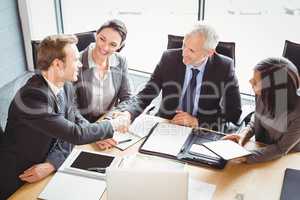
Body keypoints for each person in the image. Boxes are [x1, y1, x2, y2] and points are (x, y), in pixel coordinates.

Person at [0, 34, 128, 199]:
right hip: (20, 176)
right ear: (58, 64)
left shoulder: (65, 86)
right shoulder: (32, 97)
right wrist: (113, 124)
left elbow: (74, 118)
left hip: (46, 165)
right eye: (75, 60)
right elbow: (75, 134)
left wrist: (95, 135)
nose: (80, 64)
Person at [114, 22, 241, 131]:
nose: (184, 53)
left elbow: (234, 113)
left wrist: (196, 121)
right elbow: (146, 93)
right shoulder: (169, 58)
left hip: (203, 129)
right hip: (168, 124)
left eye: (191, 50)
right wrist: (128, 113)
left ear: (209, 52)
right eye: (184, 45)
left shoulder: (224, 67)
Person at [223, 57, 300, 163]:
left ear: (273, 90)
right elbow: (257, 118)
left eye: (255, 82)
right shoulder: (263, 94)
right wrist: (243, 135)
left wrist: (246, 157)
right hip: (262, 148)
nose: (250, 81)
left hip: (288, 158)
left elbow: (280, 149)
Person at [75, 19, 131, 123]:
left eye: (113, 44)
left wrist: (110, 119)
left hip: (109, 122)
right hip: (83, 127)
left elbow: (126, 97)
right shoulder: (76, 62)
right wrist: (93, 130)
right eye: (102, 39)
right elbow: (71, 107)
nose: (105, 47)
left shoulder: (121, 61)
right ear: (96, 35)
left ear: (120, 46)